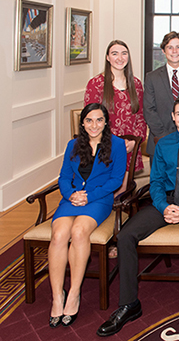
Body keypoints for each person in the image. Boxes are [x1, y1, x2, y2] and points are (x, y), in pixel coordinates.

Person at [97, 96, 179, 341]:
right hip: (166, 202)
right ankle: (129, 304)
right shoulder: (163, 145)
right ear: (173, 117)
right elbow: (156, 183)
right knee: (126, 235)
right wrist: (165, 206)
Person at [48, 103, 126, 328]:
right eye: (89, 120)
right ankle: (57, 296)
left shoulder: (118, 145)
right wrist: (71, 194)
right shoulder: (73, 145)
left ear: (105, 122)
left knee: (79, 231)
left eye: (99, 120)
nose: (94, 125)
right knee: (59, 234)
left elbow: (116, 180)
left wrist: (88, 197)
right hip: (71, 199)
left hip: (99, 200)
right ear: (82, 123)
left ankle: (73, 293)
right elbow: (63, 176)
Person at [84, 40, 147, 194]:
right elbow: (90, 119)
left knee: (122, 191)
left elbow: (141, 117)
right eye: (115, 53)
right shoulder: (96, 84)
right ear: (107, 58)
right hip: (104, 147)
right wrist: (110, 142)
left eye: (124, 53)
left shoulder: (136, 84)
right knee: (103, 192)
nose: (120, 58)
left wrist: (134, 141)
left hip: (128, 148)